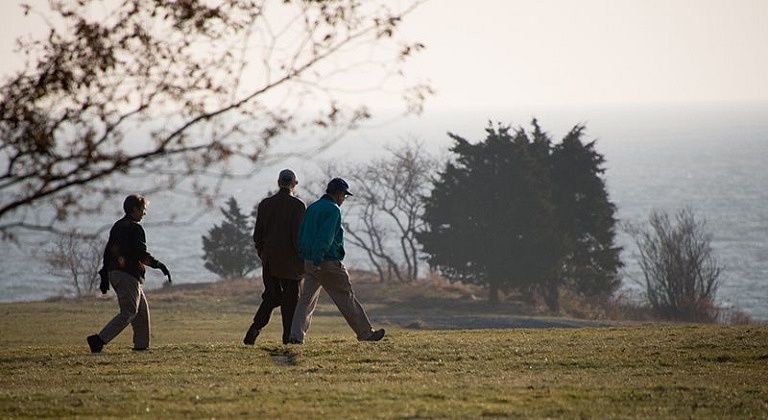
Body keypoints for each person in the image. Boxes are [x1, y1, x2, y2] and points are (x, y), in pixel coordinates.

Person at [288, 177, 385, 344]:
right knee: (345, 297)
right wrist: (319, 259)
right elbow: (325, 237)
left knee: (305, 300)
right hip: (327, 262)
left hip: (309, 262)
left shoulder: (312, 208)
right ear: (339, 194)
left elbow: (302, 234)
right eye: (344, 196)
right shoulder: (333, 210)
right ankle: (366, 333)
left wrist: (307, 258)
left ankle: (295, 337)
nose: (344, 200)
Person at [87, 194, 172, 353]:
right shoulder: (135, 228)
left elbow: (108, 252)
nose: (144, 213)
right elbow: (141, 254)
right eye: (143, 210)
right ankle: (99, 340)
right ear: (135, 209)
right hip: (127, 275)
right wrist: (158, 265)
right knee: (129, 312)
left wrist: (105, 275)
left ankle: (141, 347)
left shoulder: (118, 226)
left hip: (118, 273)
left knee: (141, 313)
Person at [243, 169, 306, 345]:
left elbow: (258, 235)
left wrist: (263, 253)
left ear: (279, 182)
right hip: (291, 262)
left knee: (272, 296)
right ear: (294, 183)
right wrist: (303, 260)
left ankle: (255, 328)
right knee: (290, 301)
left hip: (270, 260)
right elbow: (297, 237)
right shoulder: (298, 206)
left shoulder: (265, 204)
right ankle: (288, 338)